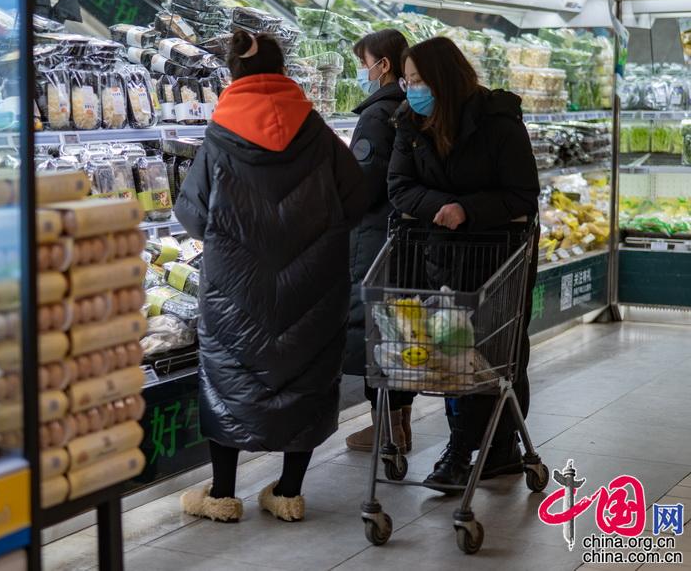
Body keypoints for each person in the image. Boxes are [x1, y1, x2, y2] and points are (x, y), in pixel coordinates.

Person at [175, 30, 366, 523]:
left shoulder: (219, 135)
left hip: (235, 284)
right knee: (304, 375)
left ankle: (221, 494)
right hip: (312, 281)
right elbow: (359, 196)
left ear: (232, 74)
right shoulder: (317, 131)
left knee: (229, 378)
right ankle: (287, 492)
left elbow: (191, 213)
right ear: (284, 70)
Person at [387, 36, 539, 491]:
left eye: (418, 80)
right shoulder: (410, 123)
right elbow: (398, 185)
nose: (411, 88)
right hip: (444, 255)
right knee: (455, 351)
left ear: (445, 79)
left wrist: (468, 210)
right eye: (407, 80)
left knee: (493, 354)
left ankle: (464, 451)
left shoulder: (498, 121)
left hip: (499, 255)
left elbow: (522, 195)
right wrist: (442, 207)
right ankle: (499, 450)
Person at [340, 29, 418, 454]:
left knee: (376, 332)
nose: (362, 70)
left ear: (382, 64)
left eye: (364, 60)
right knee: (400, 332)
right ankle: (400, 427)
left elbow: (364, 185)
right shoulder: (408, 108)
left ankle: (384, 429)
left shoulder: (375, 116)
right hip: (405, 239)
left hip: (376, 238)